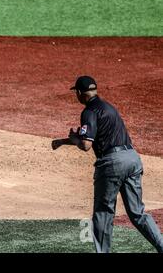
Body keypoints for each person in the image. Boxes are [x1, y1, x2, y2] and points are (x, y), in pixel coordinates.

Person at [52, 76, 163, 253]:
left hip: (112, 164)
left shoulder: (89, 111)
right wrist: (64, 141)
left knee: (103, 214)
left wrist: (73, 139)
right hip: (132, 159)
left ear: (80, 93)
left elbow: (86, 145)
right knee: (137, 213)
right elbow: (94, 137)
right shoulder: (108, 108)